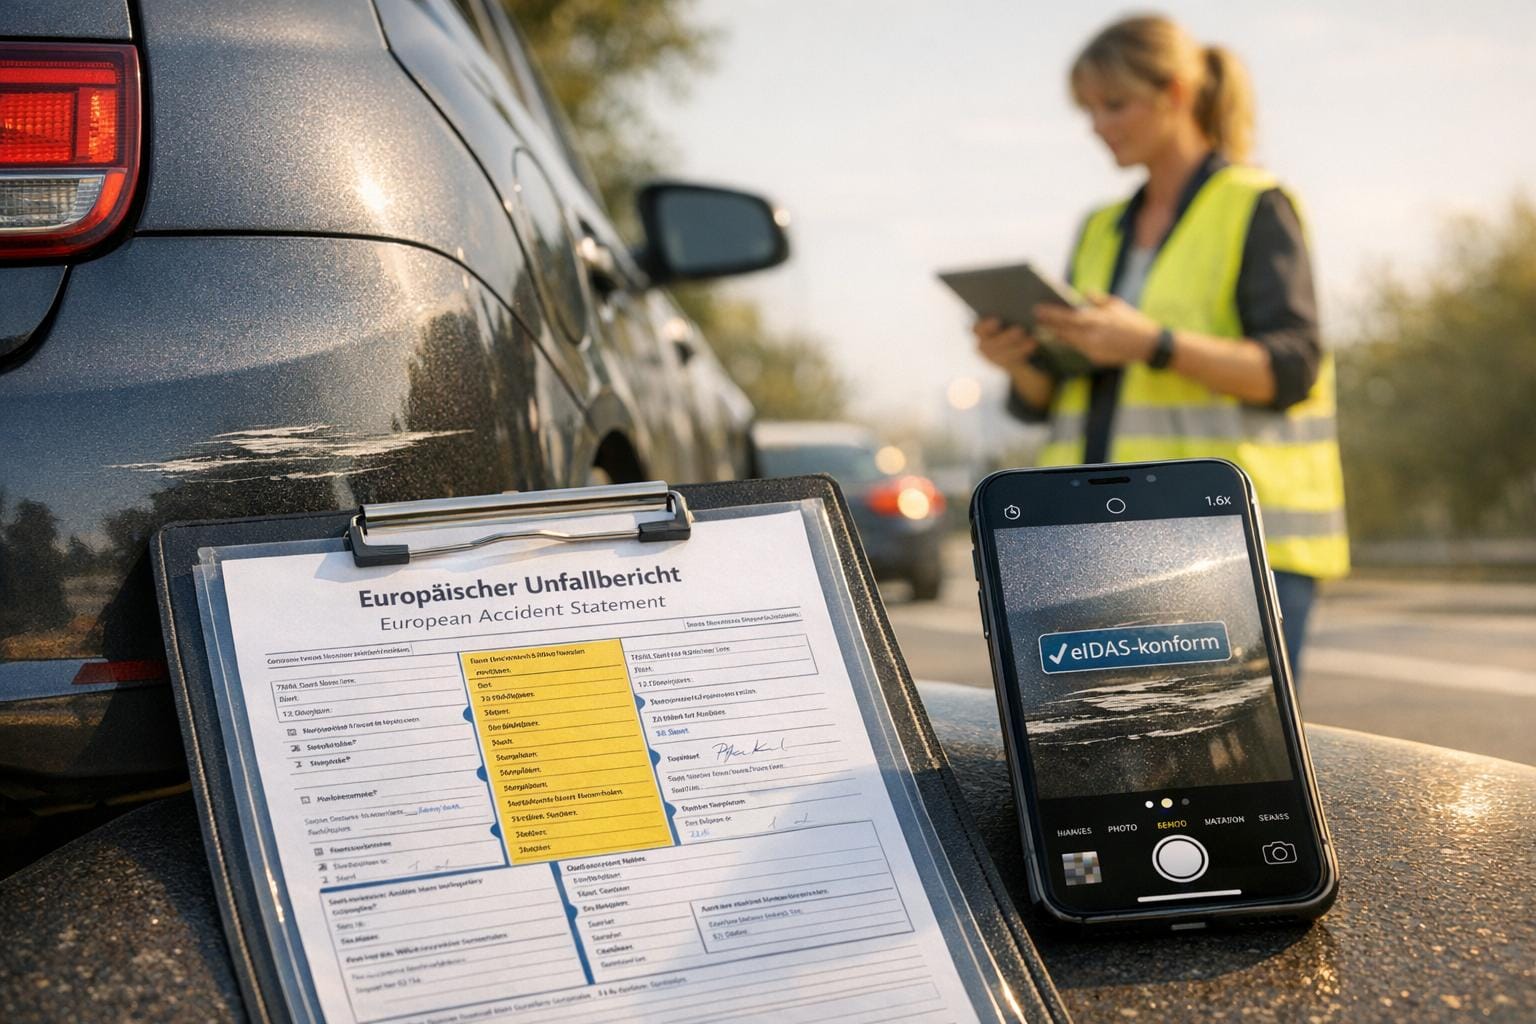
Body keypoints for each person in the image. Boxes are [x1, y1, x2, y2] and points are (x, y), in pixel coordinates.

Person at [973, 14, 1348, 683]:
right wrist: (1021, 362)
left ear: (1175, 92)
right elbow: (1055, 398)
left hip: (1228, 537)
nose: (1098, 125)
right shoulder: (1100, 228)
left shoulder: (1255, 204)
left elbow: (1290, 369)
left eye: (1114, 104)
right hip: (1093, 538)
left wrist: (1153, 343)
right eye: (1088, 109)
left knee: (1239, 768)